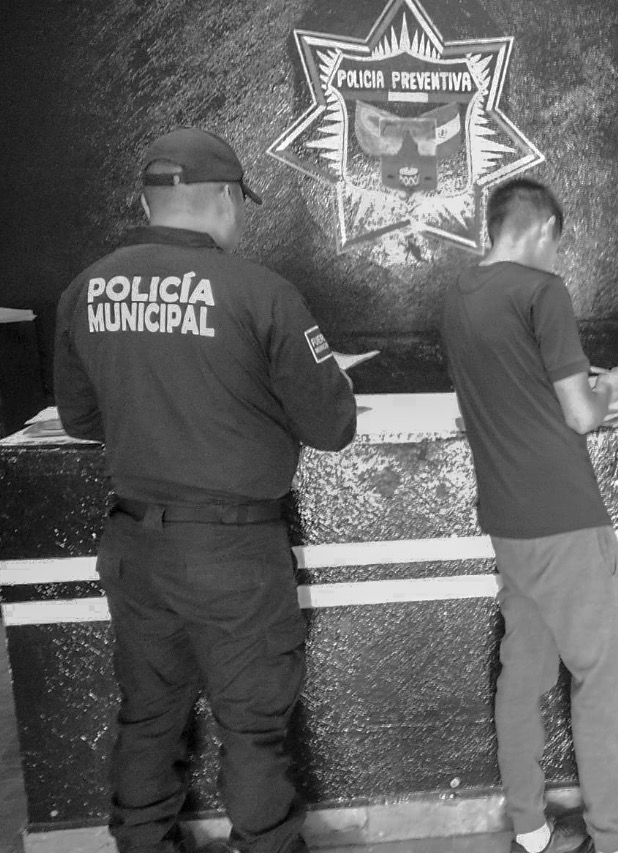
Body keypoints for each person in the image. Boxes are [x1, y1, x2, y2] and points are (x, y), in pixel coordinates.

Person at [54, 127, 358, 853]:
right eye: (240, 203)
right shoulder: (263, 293)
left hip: (134, 547)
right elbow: (333, 425)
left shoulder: (86, 289)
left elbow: (80, 419)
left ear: (146, 202)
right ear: (225, 197)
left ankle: (142, 843)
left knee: (148, 716)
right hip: (234, 555)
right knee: (252, 728)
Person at [439, 178, 618, 853]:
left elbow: (511, 389)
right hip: (567, 520)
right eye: (557, 243)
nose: (557, 257)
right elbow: (580, 415)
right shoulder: (543, 291)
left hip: (508, 522)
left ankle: (531, 832)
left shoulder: (458, 294)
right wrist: (607, 388)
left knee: (522, 678)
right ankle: (613, 842)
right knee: (601, 685)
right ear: (542, 229)